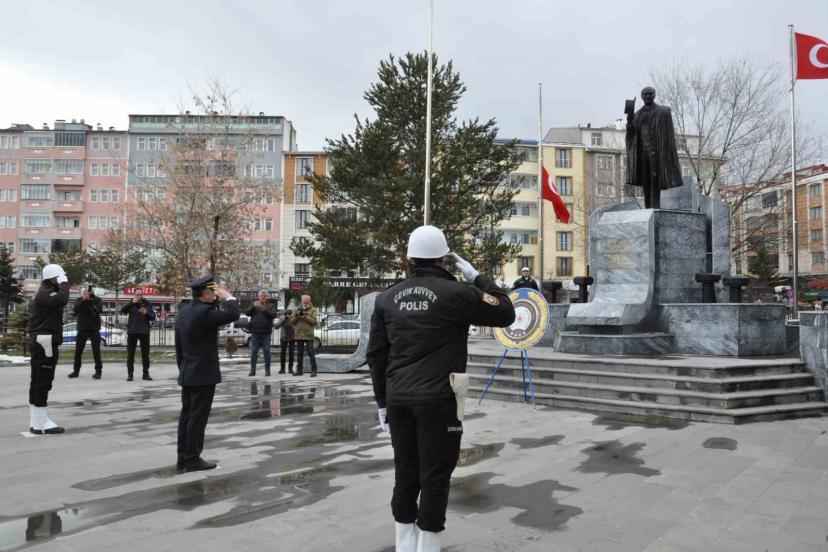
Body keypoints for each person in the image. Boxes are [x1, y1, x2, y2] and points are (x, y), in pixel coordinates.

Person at [367, 225, 515, 552]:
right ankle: (428, 547)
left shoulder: (386, 298)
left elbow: (376, 355)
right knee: (435, 476)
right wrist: (477, 278)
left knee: (406, 474)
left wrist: (382, 403)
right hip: (441, 401)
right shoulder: (457, 293)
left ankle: (405, 545)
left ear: (410, 257)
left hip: (399, 399)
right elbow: (506, 311)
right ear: (442, 257)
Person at [174, 276, 240, 472]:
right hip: (203, 374)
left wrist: (183, 368)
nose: (215, 296)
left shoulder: (184, 311)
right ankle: (192, 459)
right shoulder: (205, 312)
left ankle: (182, 457)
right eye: (212, 293)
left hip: (188, 372)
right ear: (205, 294)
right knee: (197, 418)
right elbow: (233, 314)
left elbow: (178, 346)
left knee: (186, 416)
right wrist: (229, 297)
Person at [28, 264, 70, 435]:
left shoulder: (44, 292)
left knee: (37, 380)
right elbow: (62, 299)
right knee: (43, 380)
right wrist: (65, 284)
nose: (61, 280)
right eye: (59, 277)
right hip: (46, 341)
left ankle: (36, 421)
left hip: (41, 340)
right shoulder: (46, 293)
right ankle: (41, 423)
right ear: (53, 278)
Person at [625, 86, 684, 209]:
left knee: (655, 181)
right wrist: (629, 119)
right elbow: (631, 135)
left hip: (658, 152)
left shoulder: (663, 112)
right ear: (641, 97)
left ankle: (655, 209)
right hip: (642, 154)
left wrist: (667, 154)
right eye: (645, 94)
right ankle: (649, 209)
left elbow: (669, 135)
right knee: (646, 182)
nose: (648, 96)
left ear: (654, 95)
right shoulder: (637, 115)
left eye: (650, 93)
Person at [69, 286, 103, 379]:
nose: (86, 293)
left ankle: (98, 372)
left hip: (94, 329)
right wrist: (84, 300)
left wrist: (90, 301)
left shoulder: (97, 300)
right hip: (82, 329)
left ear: (91, 292)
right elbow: (76, 309)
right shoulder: (79, 300)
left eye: (88, 291)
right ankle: (76, 371)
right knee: (78, 351)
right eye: (85, 291)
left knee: (96, 351)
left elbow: (99, 310)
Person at [120, 293, 156, 381]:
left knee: (145, 354)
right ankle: (130, 375)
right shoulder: (131, 303)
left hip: (144, 332)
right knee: (130, 354)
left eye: (140, 294)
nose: (138, 296)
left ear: (142, 295)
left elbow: (153, 317)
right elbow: (123, 311)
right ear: (134, 295)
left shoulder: (147, 304)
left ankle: (145, 374)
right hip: (132, 332)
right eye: (137, 294)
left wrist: (146, 313)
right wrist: (131, 303)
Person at [245, 291, 279, 376]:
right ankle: (253, 370)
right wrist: (253, 306)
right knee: (254, 351)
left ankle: (267, 370)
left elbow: (273, 315)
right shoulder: (254, 304)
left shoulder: (271, 305)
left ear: (267, 297)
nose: (262, 297)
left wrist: (264, 309)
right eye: (261, 296)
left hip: (266, 332)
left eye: (264, 296)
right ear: (259, 297)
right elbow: (247, 313)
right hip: (255, 331)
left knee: (266, 351)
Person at [289, 295, 318, 377]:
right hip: (299, 334)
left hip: (308, 334)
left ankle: (314, 370)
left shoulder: (313, 309)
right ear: (301, 300)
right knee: (299, 354)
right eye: (304, 300)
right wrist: (297, 316)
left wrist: (304, 316)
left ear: (309, 300)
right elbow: (291, 322)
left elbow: (314, 322)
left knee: (311, 353)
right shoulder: (296, 309)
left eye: (307, 300)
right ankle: (299, 371)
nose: (305, 301)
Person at [274, 309, 295, 374]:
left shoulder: (293, 317)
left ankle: (290, 369)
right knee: (283, 353)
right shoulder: (282, 318)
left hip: (292, 337)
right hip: (283, 337)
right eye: (286, 314)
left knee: (291, 353)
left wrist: (291, 322)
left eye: (289, 314)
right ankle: (282, 369)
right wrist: (282, 321)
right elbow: (276, 327)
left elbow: (296, 326)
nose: (288, 315)